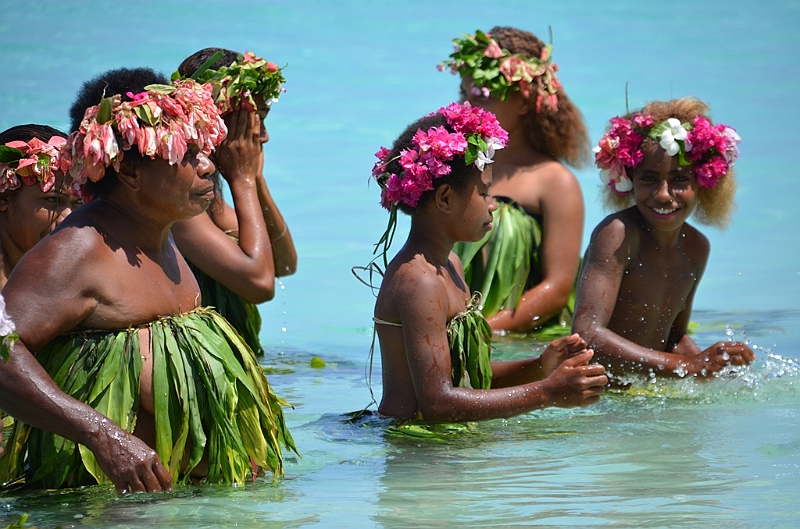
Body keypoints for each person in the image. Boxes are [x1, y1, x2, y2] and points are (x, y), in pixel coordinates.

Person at [0, 69, 294, 492]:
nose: (208, 164)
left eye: (204, 148)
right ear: (131, 173)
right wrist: (102, 435)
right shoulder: (79, 250)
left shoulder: (160, 235)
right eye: (186, 153)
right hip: (108, 511)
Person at [369, 102, 607, 422]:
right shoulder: (420, 283)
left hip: (439, 445)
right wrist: (548, 393)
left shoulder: (450, 264)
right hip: (412, 450)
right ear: (444, 199)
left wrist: (539, 366)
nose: (493, 205)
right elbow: (438, 404)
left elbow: (469, 379)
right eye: (484, 193)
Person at [571, 98, 756, 379]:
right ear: (628, 178)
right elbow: (587, 334)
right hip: (598, 394)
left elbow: (674, 338)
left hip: (642, 390)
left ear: (704, 183)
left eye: (680, 180)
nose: (663, 194)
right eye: (649, 178)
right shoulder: (618, 234)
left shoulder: (696, 247)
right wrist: (689, 366)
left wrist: (713, 365)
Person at [439, 27, 589, 335]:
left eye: (482, 95)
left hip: (521, 344)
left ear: (524, 101)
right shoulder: (458, 172)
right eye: (463, 94)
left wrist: (478, 333)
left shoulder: (555, 181)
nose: (467, 107)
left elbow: (558, 289)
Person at [169, 48, 297, 356]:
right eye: (258, 121)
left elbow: (283, 263)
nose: (263, 135)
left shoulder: (207, 191)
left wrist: (257, 180)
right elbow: (260, 284)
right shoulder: (174, 186)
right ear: (221, 120)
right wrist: (242, 180)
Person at [0, 124, 80, 458]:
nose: (67, 219)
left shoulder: (65, 277)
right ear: (4, 196)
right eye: (52, 201)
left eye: (76, 203)